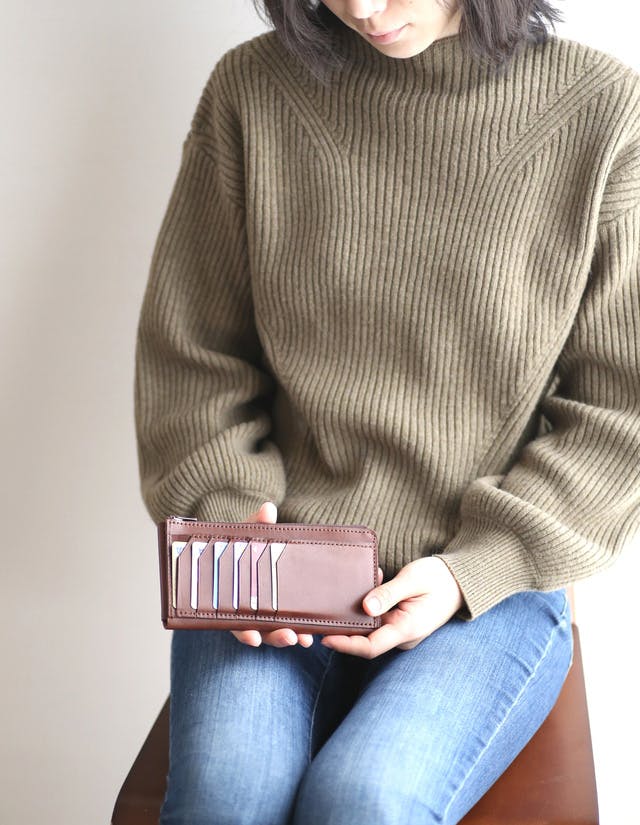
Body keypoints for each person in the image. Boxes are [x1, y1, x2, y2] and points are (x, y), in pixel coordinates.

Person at [134, 1, 640, 822]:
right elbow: (194, 354)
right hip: (279, 565)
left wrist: (474, 569)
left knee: (365, 801)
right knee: (228, 798)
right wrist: (235, 527)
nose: (362, 9)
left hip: (484, 590)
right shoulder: (253, 92)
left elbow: (621, 407)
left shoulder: (602, 109)